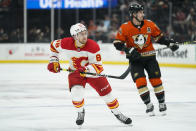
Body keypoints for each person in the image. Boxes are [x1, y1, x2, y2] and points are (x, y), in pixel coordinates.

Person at [47, 23, 132, 126]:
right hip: (75, 72)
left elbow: (98, 67)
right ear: (74, 36)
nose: (84, 36)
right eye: (81, 34)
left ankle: (118, 113)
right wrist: (54, 61)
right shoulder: (64, 43)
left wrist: (85, 69)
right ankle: (80, 112)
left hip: (92, 73)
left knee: (108, 95)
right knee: (76, 95)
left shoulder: (93, 46)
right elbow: (53, 46)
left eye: (85, 33)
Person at [113, 2, 179, 116]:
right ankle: (148, 105)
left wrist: (169, 43)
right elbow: (117, 43)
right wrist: (128, 50)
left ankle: (162, 102)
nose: (142, 14)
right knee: (140, 82)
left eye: (142, 12)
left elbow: (160, 38)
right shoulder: (125, 27)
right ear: (133, 14)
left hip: (150, 58)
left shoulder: (150, 24)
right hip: (135, 60)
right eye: (139, 12)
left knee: (156, 81)